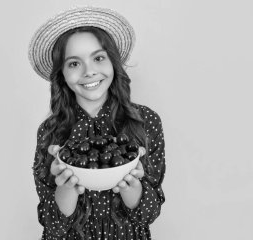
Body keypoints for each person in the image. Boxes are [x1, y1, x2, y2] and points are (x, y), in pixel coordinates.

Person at [28, 6, 166, 240]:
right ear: (61, 73)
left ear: (112, 62)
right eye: (74, 63)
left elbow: (149, 214)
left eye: (98, 58)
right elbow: (52, 224)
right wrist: (66, 186)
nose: (89, 71)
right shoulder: (50, 132)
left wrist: (132, 187)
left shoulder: (145, 122)